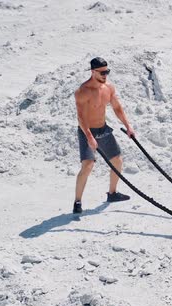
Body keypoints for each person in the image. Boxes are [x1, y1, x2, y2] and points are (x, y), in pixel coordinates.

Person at [73, 57, 135, 214]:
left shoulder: (108, 88)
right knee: (88, 165)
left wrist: (128, 126)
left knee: (117, 161)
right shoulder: (83, 91)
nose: (105, 75)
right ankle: (77, 201)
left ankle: (112, 193)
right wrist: (89, 137)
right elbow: (80, 117)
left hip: (103, 129)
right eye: (102, 72)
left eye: (107, 72)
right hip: (87, 130)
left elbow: (117, 108)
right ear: (93, 72)